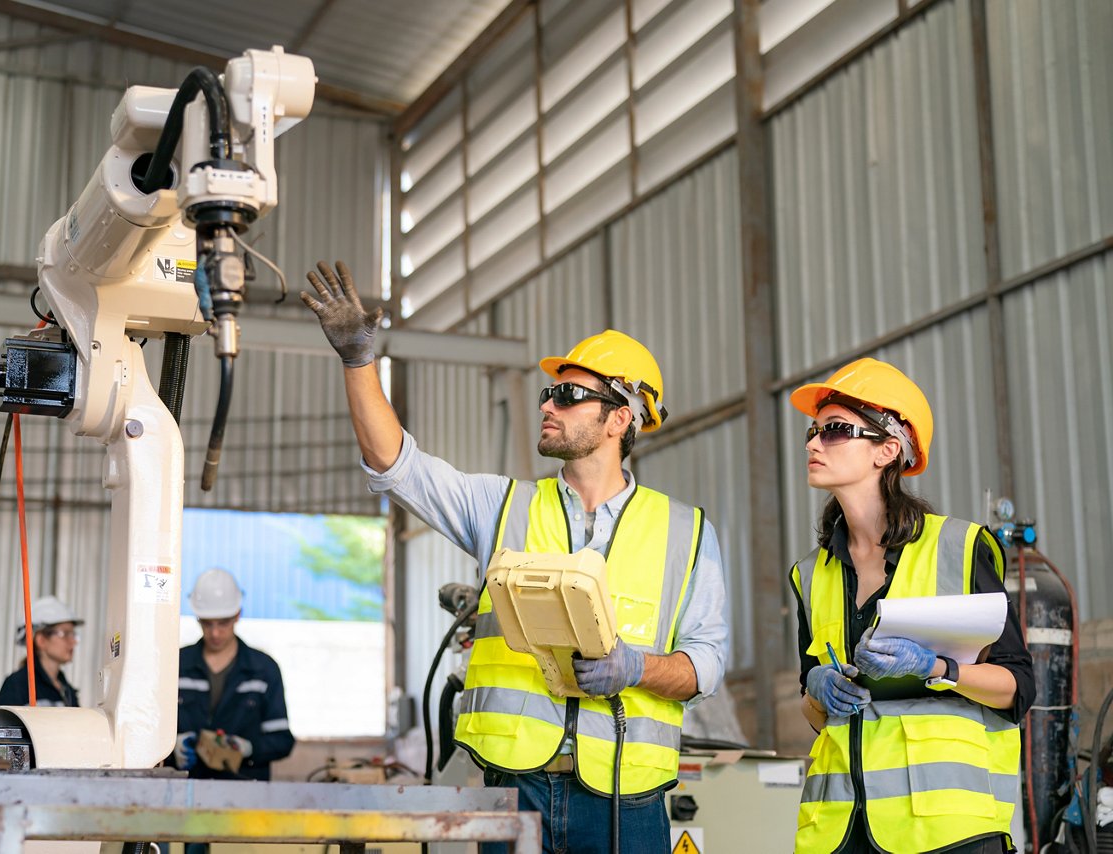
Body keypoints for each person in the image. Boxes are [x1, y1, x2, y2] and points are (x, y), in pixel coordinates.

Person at [301, 260, 729, 854]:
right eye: (550, 392)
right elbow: (395, 464)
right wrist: (358, 361)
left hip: (627, 799)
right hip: (514, 790)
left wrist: (637, 669)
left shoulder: (687, 531)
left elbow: (705, 665)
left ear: (621, 418)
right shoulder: (500, 506)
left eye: (571, 395)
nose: (548, 405)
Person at [788, 358, 1035, 854]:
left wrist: (938, 667)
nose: (813, 443)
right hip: (839, 832)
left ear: (888, 449)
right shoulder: (811, 574)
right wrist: (818, 691)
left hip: (945, 832)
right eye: (814, 431)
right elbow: (816, 715)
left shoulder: (957, 549)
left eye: (835, 430)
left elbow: (1019, 688)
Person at [172, 568, 295, 787]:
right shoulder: (176, 665)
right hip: (188, 791)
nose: (215, 633)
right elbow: (147, 731)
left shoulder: (263, 670)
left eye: (223, 623)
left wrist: (249, 748)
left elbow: (282, 740)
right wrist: (172, 747)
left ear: (238, 614)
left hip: (246, 794)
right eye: (207, 623)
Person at [0, 595, 82, 707]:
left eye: (73, 634)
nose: (73, 641)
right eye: (65, 633)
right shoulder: (17, 685)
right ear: (41, 640)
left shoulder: (67, 691)